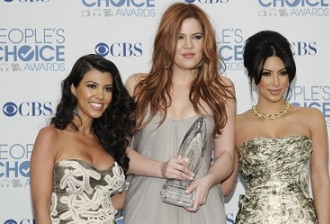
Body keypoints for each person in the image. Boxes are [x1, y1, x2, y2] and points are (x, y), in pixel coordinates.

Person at [123, 2, 236, 224]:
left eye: (196, 37)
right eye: (180, 37)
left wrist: (209, 180)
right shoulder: (138, 87)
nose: (188, 45)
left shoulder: (221, 90)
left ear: (206, 42)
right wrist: (162, 168)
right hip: (147, 204)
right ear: (166, 40)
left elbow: (226, 156)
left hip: (199, 203)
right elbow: (121, 153)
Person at [232, 30, 330, 223]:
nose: (276, 82)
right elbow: (225, 185)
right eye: (267, 74)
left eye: (282, 73)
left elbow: (320, 180)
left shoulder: (312, 118)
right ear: (253, 75)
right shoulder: (236, 125)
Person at [30, 54, 136, 223]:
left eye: (107, 89)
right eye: (92, 86)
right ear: (73, 88)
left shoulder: (109, 140)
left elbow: (104, 203)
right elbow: (41, 208)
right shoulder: (51, 136)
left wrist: (149, 187)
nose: (100, 95)